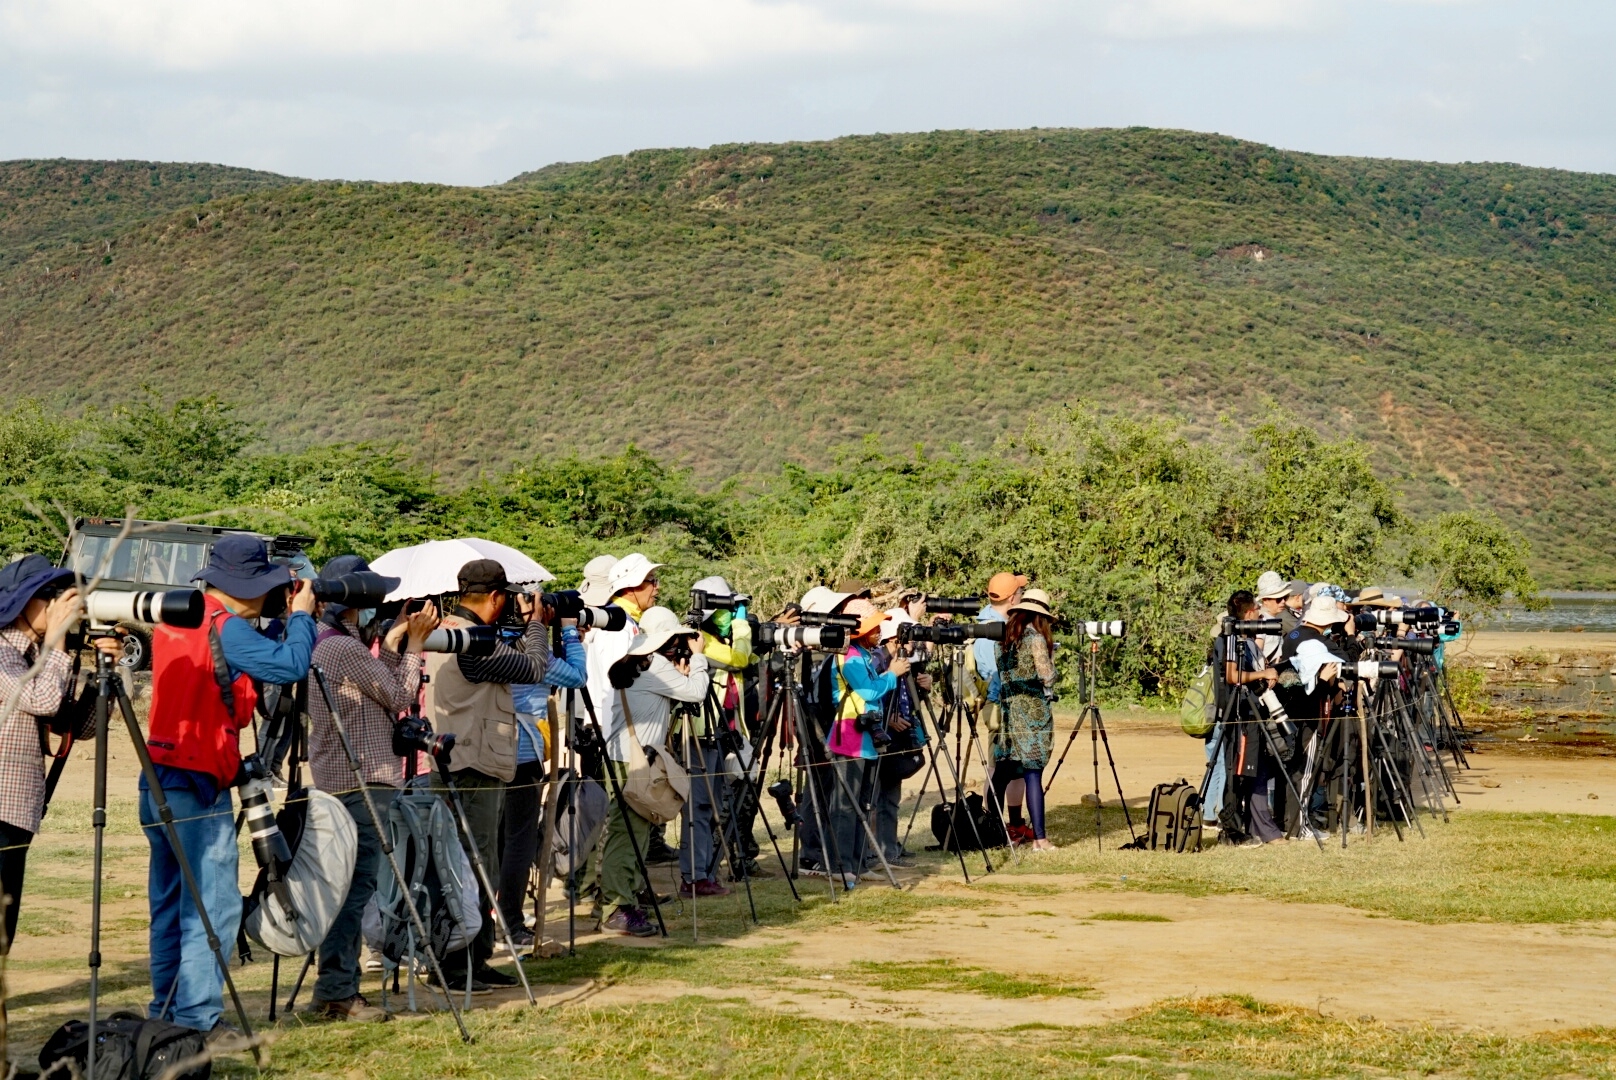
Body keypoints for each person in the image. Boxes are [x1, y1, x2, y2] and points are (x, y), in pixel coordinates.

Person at [145, 534, 316, 1039]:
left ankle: (166, 1013)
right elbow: (291, 666)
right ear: (252, 586)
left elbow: (234, 704)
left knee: (171, 904)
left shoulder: (176, 622)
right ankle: (197, 1022)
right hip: (199, 783)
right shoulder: (224, 626)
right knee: (214, 908)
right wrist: (303, 616)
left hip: (156, 777)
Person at [304, 555, 439, 1022]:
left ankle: (335, 988)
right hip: (360, 783)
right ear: (356, 604)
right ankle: (337, 991)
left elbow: (375, 691)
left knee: (347, 890)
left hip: (343, 781)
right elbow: (400, 697)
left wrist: (395, 642)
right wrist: (416, 645)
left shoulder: (329, 644)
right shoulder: (344, 649)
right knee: (354, 892)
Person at [423, 558, 550, 992]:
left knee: (477, 864)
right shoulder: (470, 641)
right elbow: (533, 668)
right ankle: (457, 966)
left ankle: (477, 957)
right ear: (496, 597)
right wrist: (536, 625)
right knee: (471, 867)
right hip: (470, 767)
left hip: (464, 763)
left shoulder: (452, 632)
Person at [0, 557, 117, 953]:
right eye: (49, 595)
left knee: (4, 926)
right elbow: (42, 698)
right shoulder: (2, 651)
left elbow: (80, 729)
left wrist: (106, 675)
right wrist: (57, 645)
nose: (59, 605)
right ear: (21, 603)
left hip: (16, 812)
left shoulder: (37, 655)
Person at [601, 607, 709, 936]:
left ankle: (627, 896)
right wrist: (699, 658)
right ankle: (617, 907)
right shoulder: (658, 666)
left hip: (623, 758)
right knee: (628, 835)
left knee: (633, 832)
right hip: (636, 762)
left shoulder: (636, 662)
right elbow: (696, 692)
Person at [498, 591, 587, 952]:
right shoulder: (531, 652)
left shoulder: (492, 643)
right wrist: (567, 630)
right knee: (519, 842)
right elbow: (577, 676)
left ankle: (488, 914)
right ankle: (511, 922)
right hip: (523, 755)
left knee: (494, 840)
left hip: (491, 751)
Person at [822, 599, 907, 885]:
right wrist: (893, 675)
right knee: (846, 807)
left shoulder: (862, 654)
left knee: (863, 805)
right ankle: (842, 864)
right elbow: (869, 692)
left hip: (866, 738)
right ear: (861, 630)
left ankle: (857, 864)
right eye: (874, 627)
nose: (879, 632)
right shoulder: (849, 656)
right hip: (850, 737)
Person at [679, 576, 754, 896]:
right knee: (698, 808)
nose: (731, 614)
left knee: (713, 807)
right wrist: (741, 625)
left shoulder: (713, 640)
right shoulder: (699, 640)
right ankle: (694, 876)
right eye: (727, 608)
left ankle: (705, 871)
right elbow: (740, 658)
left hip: (720, 731)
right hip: (700, 734)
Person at [992, 589, 1059, 851]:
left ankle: (996, 831)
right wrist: (1052, 663)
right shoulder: (1035, 639)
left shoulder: (1003, 640)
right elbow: (1047, 677)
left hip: (1009, 713)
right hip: (1032, 714)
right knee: (1033, 774)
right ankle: (1040, 839)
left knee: (1002, 775)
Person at [973, 571, 1029, 843]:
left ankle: (1014, 823)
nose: (1022, 596)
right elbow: (994, 673)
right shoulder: (990, 629)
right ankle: (993, 825)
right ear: (1011, 597)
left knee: (1014, 766)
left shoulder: (995, 621)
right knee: (998, 767)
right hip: (1001, 705)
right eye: (1019, 592)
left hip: (1007, 704)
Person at [871, 608, 928, 867]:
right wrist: (887, 717)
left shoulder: (902, 661)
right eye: (909, 637)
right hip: (880, 735)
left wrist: (920, 685)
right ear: (894, 638)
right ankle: (879, 850)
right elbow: (868, 693)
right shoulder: (878, 660)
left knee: (891, 796)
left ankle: (890, 845)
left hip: (900, 735)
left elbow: (905, 694)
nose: (913, 644)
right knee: (878, 797)